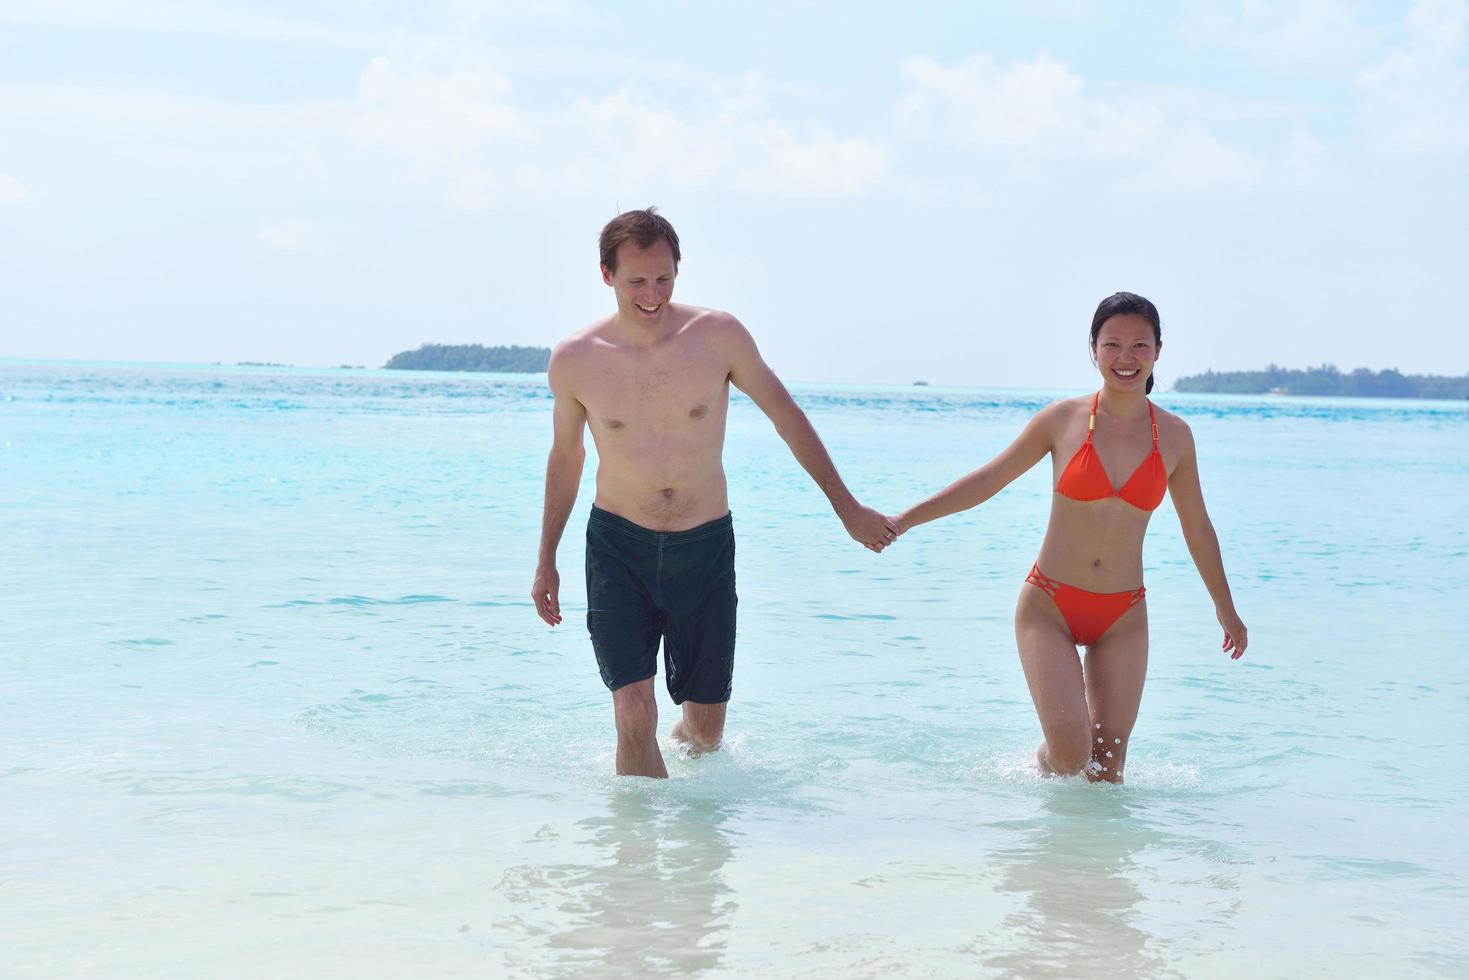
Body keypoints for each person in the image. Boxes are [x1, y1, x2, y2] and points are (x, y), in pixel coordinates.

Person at [532, 207, 896, 778]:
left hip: (702, 545)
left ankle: (693, 844)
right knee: (633, 712)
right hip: (617, 545)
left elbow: (787, 416)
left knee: (704, 729)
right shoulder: (576, 360)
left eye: (663, 278)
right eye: (636, 282)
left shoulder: (718, 336)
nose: (652, 294)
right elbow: (566, 459)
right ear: (606, 276)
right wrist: (546, 560)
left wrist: (845, 508)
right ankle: (633, 863)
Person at [891, 292, 1247, 783]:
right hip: (1050, 605)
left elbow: (1198, 527)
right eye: (1113, 344)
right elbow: (988, 480)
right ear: (1093, 350)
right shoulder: (1061, 420)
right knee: (1070, 755)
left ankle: (1088, 861)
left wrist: (1225, 609)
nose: (1126, 357)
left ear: (1159, 351)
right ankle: (1039, 776)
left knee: (1108, 770)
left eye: (1140, 345)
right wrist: (905, 519)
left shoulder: (1177, 437)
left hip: (1123, 613)